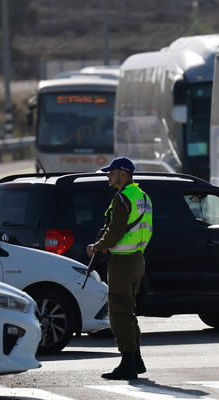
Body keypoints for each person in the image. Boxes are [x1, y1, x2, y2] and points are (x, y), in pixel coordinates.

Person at [87, 156, 153, 380]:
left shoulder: (122, 199)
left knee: (118, 312)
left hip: (123, 261)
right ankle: (136, 359)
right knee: (128, 310)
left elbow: (114, 233)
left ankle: (128, 362)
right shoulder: (143, 196)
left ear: (123, 174)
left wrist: (97, 247)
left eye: (111, 172)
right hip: (137, 258)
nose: (108, 175)